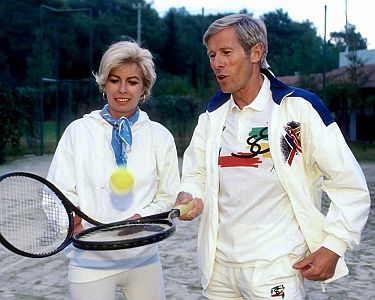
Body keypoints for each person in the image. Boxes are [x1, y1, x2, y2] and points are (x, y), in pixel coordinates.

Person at [176, 13, 371, 299]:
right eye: (212, 55)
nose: (216, 63)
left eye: (226, 52)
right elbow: (195, 173)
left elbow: (349, 183)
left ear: (256, 52)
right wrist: (188, 194)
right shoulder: (212, 116)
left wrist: (334, 245)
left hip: (276, 266)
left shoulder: (300, 108)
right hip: (218, 269)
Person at [47, 41, 180, 300]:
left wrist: (141, 218)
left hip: (144, 259)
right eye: (114, 80)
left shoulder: (160, 136)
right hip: (90, 263)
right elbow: (55, 193)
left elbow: (168, 195)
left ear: (144, 88)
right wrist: (72, 224)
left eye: (132, 81)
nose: (122, 90)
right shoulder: (78, 131)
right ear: (103, 83)